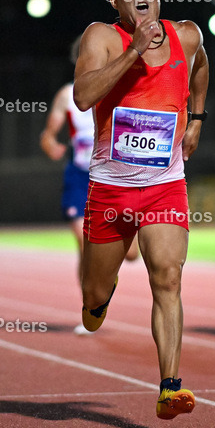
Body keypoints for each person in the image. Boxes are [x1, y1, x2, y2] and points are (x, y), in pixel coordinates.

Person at [73, 0, 209, 420]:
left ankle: (170, 387)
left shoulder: (186, 35)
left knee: (167, 279)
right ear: (115, 1)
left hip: (163, 187)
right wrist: (132, 52)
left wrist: (196, 120)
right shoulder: (101, 37)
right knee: (93, 294)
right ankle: (99, 299)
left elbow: (202, 66)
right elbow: (83, 96)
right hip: (110, 191)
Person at [40, 37, 137, 336]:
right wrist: (50, 145)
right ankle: (90, 305)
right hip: (81, 177)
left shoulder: (122, 89)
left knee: (131, 255)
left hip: (116, 176)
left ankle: (107, 277)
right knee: (86, 246)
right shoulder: (67, 95)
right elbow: (48, 134)